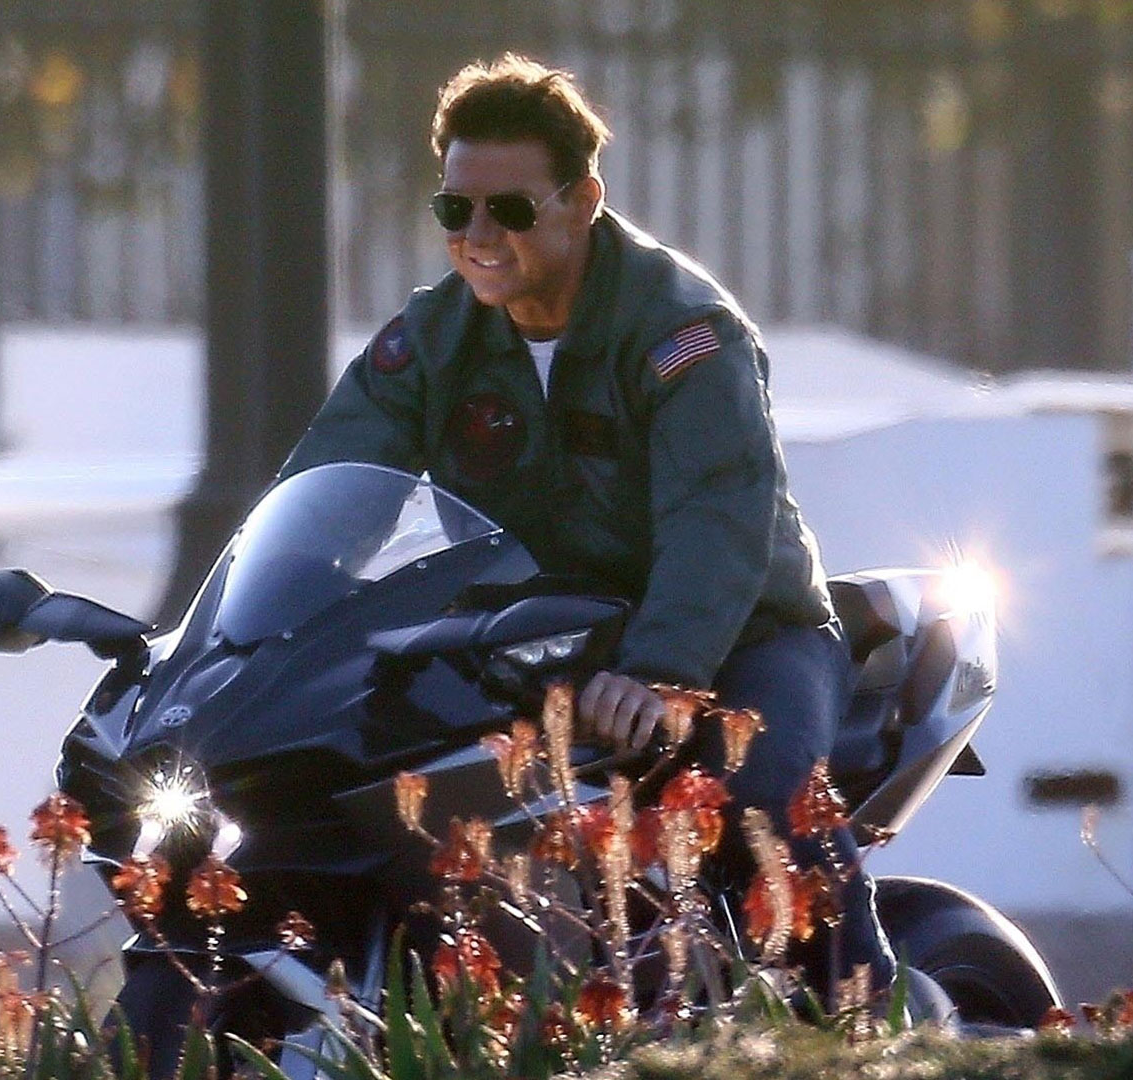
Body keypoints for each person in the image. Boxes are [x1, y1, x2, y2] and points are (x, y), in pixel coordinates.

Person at [279, 53, 893, 995]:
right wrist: (260, 634)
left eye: (511, 210)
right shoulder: (434, 337)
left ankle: (885, 1024)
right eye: (455, 210)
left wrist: (660, 670)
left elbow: (715, 517)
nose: (479, 234)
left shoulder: (684, 331)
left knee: (770, 813)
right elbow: (329, 482)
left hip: (737, 636)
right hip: (543, 640)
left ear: (583, 200)